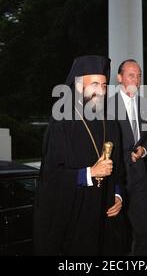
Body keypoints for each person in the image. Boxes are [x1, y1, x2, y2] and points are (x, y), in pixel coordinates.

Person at [34, 55, 128, 256]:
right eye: (94, 84)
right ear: (78, 86)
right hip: (76, 216)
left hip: (105, 214)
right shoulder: (62, 124)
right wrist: (88, 173)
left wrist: (118, 194)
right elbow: (50, 178)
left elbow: (119, 169)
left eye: (104, 84)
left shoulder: (110, 123)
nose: (101, 90)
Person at [109, 59, 147, 256]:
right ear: (120, 78)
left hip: (138, 175)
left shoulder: (145, 104)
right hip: (115, 175)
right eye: (131, 75)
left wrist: (143, 149)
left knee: (145, 230)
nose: (136, 80)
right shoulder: (106, 106)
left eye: (139, 76)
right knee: (118, 234)